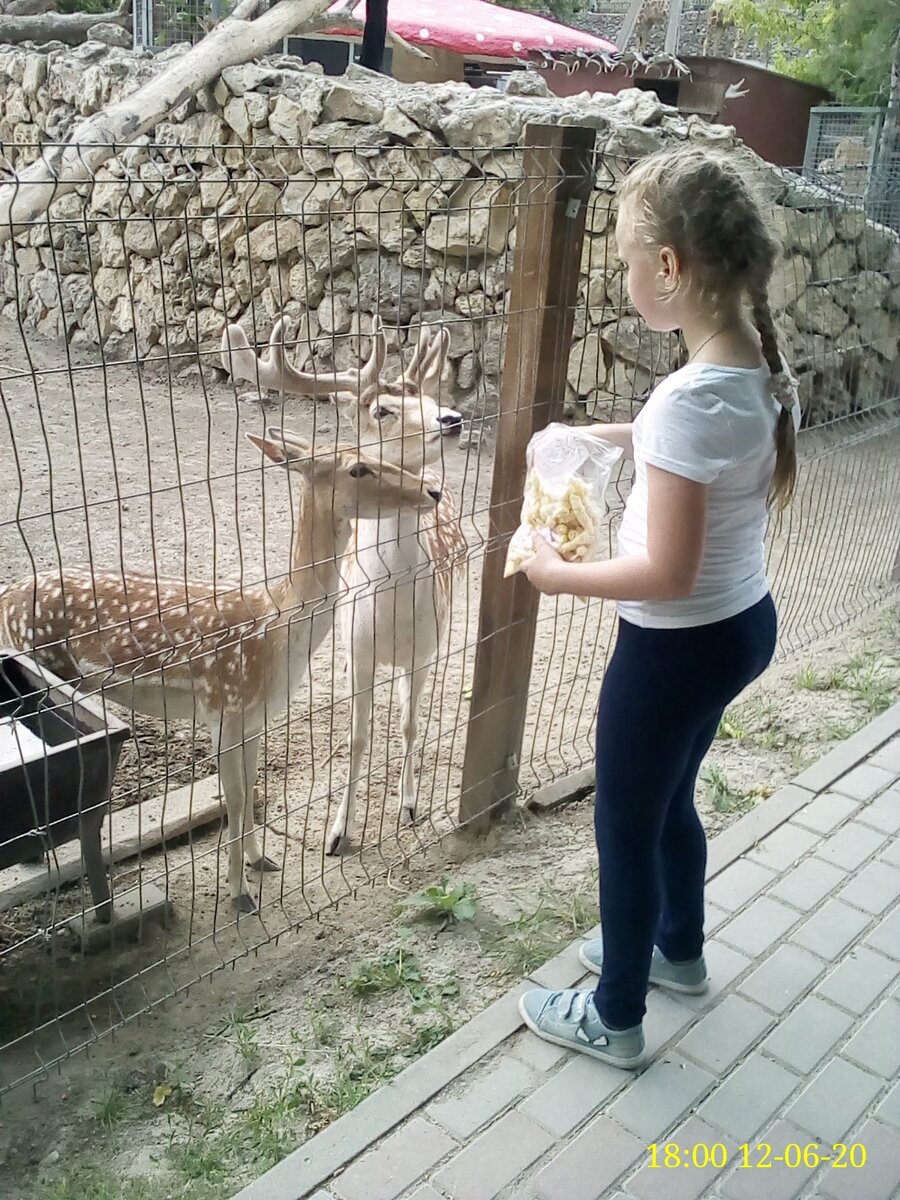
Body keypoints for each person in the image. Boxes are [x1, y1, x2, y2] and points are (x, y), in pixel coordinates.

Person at [517, 146, 801, 1069]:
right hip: (738, 628)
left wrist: (551, 574)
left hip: (676, 645)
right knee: (670, 799)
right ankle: (676, 949)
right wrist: (584, 433)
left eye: (630, 262)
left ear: (669, 269)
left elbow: (666, 572)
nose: (626, 277)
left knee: (624, 828)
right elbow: (672, 440)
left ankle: (618, 1015)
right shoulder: (747, 364)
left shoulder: (689, 400)